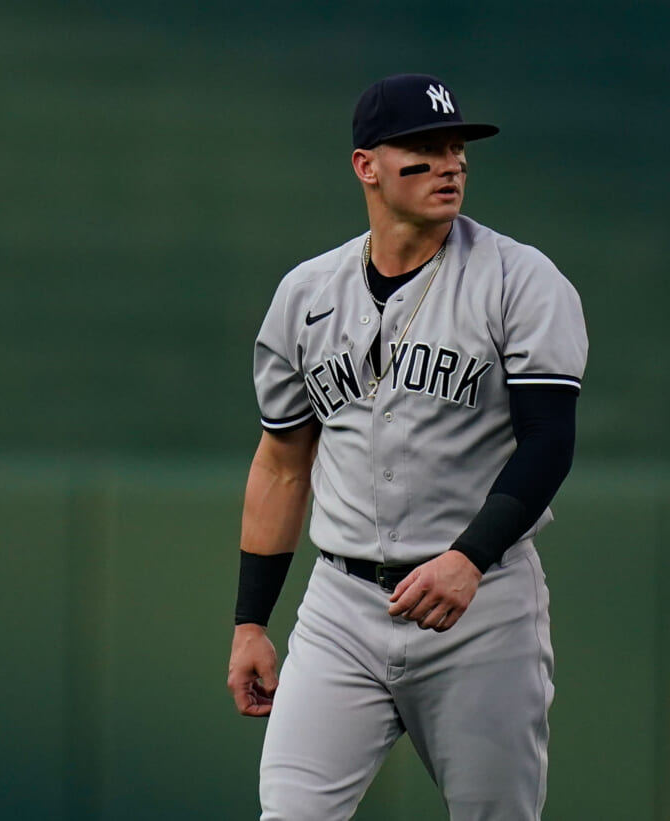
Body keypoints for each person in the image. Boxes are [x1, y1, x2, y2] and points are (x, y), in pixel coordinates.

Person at [227, 72, 588, 821]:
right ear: (367, 166)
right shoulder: (307, 293)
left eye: (456, 147)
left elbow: (549, 442)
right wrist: (250, 622)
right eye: (424, 148)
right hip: (341, 607)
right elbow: (282, 464)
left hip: (480, 604)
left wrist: (470, 557)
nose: (449, 164)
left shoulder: (520, 279)